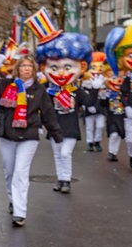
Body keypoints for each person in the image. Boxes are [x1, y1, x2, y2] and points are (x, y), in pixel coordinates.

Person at [0, 54, 63, 227]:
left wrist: (57, 136)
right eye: (23, 66)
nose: (26, 69)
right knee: (9, 171)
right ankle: (13, 199)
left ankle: (20, 212)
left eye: (30, 66)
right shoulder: (5, 85)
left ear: (33, 69)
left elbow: (48, 114)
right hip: (7, 135)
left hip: (29, 136)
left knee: (20, 173)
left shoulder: (39, 90)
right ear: (18, 68)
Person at [32, 12, 93, 194]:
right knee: (58, 155)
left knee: (65, 153)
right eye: (54, 67)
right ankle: (61, 179)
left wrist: (96, 89)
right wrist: (39, 124)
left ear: (80, 67)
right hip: (54, 127)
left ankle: (66, 180)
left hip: (71, 128)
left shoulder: (77, 90)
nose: (60, 73)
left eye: (67, 67)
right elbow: (40, 108)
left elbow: (90, 104)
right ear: (44, 68)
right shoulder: (48, 90)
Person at [105, 18, 132, 175]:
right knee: (131, 139)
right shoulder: (128, 78)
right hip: (131, 112)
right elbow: (122, 93)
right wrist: (127, 106)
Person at [80, 53, 107, 152]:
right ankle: (90, 142)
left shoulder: (104, 82)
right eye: (94, 67)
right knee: (89, 127)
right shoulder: (84, 84)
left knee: (100, 125)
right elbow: (83, 96)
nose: (98, 69)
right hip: (89, 107)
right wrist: (85, 106)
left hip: (100, 107)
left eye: (100, 66)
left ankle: (97, 141)